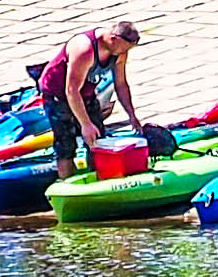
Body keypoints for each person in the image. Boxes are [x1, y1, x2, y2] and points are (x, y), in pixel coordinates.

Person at [35, 17, 143, 176]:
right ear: (113, 39)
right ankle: (67, 182)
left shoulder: (119, 51)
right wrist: (85, 124)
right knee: (66, 143)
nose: (124, 53)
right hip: (58, 93)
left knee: (98, 140)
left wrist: (132, 115)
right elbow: (71, 90)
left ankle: (99, 175)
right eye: (124, 49)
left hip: (85, 93)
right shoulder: (85, 50)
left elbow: (121, 84)